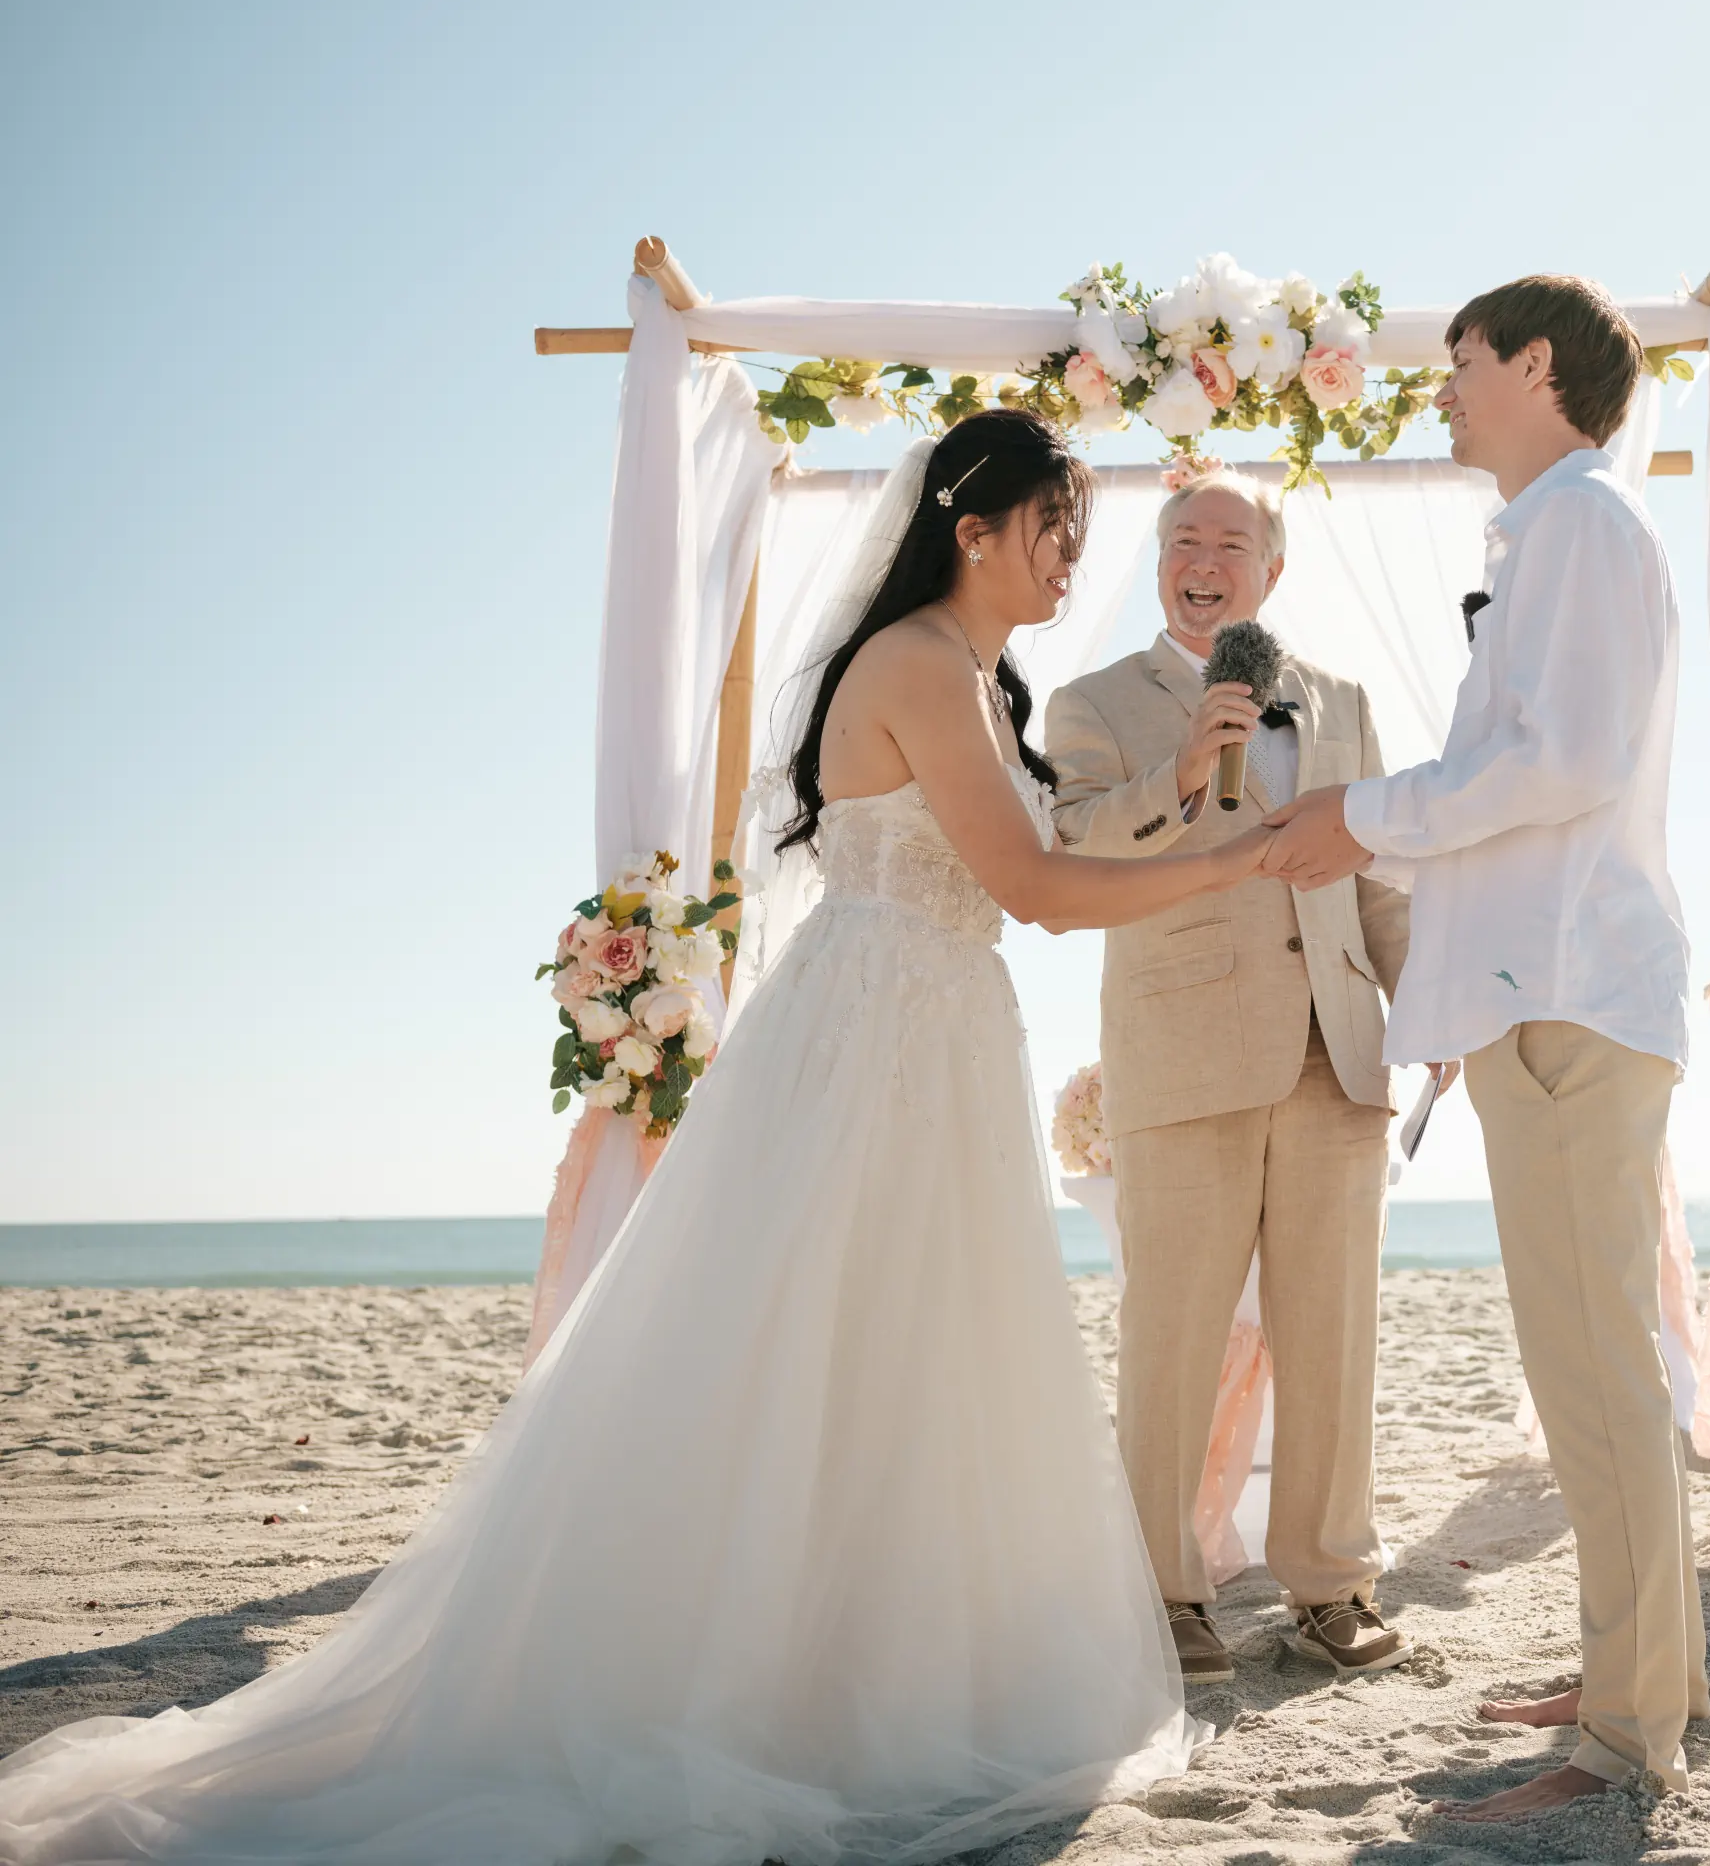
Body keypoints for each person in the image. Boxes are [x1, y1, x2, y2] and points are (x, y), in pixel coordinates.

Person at [0, 410, 1268, 1866]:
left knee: (909, 1357)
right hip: (878, 1044)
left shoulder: (977, 675)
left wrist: (1183, 808)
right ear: (971, 527)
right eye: (1057, 526)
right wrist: (1238, 856)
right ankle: (773, 1685)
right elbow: (1034, 887)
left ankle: (866, 1667)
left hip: (933, 1029)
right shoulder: (917, 661)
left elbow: (1031, 864)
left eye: (1080, 531)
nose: (1072, 557)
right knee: (813, 1352)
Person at [1263, 279, 1710, 1818]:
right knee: (1588, 1367)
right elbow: (1529, 788)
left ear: (1536, 366)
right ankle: (1640, 1677)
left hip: (1573, 1003)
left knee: (1596, 1374)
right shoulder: (1564, 535)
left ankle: (1627, 1738)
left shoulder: (1585, 527)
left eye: (1459, 365)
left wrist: (1358, 818)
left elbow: (1559, 767)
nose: (1442, 392)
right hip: (1550, 993)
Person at [1041, 469, 1415, 1682]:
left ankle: (1330, 1584)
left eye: (1230, 541)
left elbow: (1379, 873)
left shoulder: (1345, 702)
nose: (1204, 558)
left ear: (1272, 568)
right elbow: (1077, 842)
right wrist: (1191, 766)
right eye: (1182, 539)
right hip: (1183, 1049)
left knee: (1332, 1335)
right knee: (1173, 1334)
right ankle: (1159, 1592)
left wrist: (1429, 1002)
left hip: (1335, 1051)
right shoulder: (1090, 702)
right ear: (1159, 563)